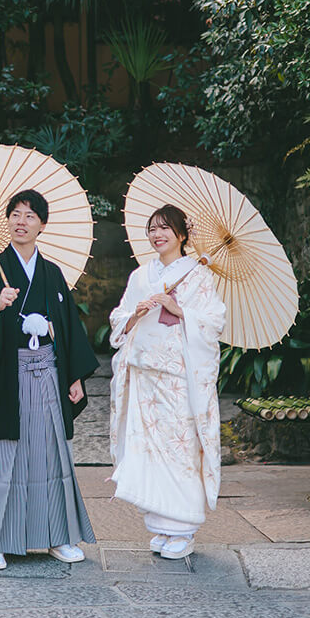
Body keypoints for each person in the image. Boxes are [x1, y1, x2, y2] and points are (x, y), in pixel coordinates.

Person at [0, 189, 99, 571]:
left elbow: (68, 329)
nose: (21, 221)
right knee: (6, 457)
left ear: (42, 225)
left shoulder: (51, 273)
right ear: (7, 222)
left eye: (30, 216)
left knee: (50, 455)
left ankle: (57, 537)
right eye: (15, 214)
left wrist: (73, 375)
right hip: (9, 375)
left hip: (49, 373)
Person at [107, 204, 226, 559]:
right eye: (152, 229)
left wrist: (180, 311)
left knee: (179, 449)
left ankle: (184, 528)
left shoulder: (199, 275)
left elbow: (213, 322)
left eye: (165, 229)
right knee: (148, 449)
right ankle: (161, 524)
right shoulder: (141, 275)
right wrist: (135, 314)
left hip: (177, 378)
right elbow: (118, 317)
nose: (157, 235)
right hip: (145, 375)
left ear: (182, 235)